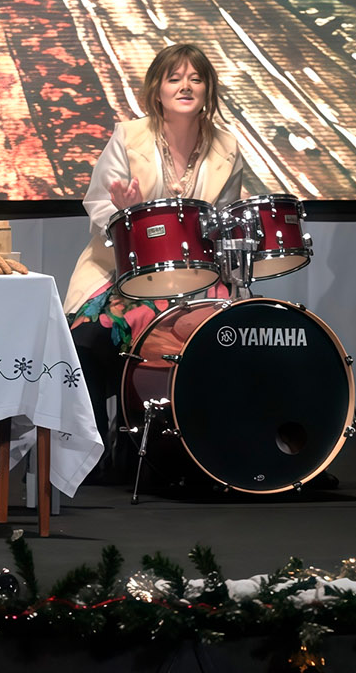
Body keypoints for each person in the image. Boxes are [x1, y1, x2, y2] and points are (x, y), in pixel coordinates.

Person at [62, 43, 246, 479]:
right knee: (85, 341)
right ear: (157, 90)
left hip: (198, 280)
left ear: (208, 89)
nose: (186, 87)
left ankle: (204, 452)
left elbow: (226, 224)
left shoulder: (227, 147)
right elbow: (99, 206)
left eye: (196, 79)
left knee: (227, 338)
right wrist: (126, 215)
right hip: (124, 273)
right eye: (174, 78)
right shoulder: (129, 137)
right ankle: (91, 455)